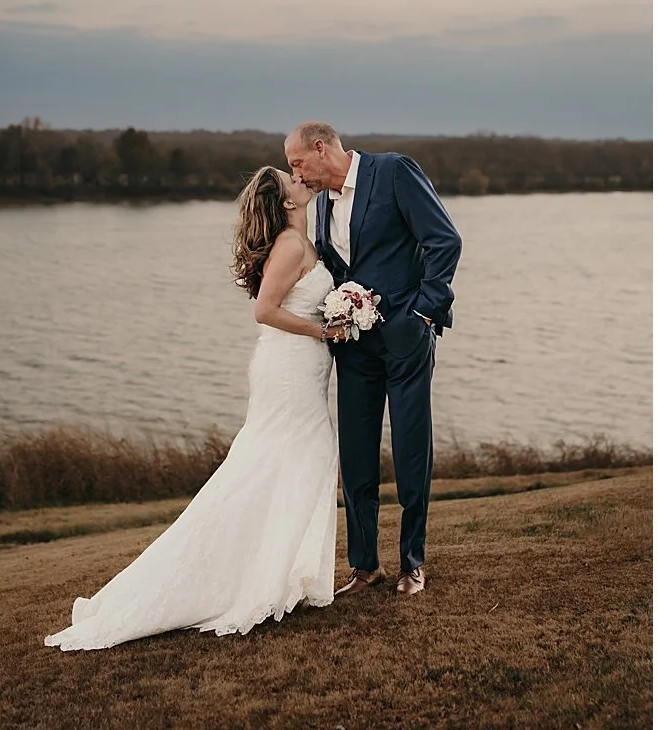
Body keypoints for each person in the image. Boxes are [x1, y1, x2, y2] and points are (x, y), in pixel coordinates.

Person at [45, 166, 341, 650]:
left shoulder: (300, 239)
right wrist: (325, 331)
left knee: (290, 463)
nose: (298, 178)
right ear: (286, 203)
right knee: (290, 460)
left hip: (297, 367)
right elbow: (263, 310)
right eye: (291, 179)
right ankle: (257, 578)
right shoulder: (290, 245)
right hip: (289, 368)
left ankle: (284, 573)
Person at [284, 121, 460, 598]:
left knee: (410, 449)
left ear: (321, 148)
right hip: (354, 348)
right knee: (357, 458)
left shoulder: (394, 172)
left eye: (298, 163)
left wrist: (422, 313)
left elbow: (445, 241)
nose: (295, 174)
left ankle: (412, 562)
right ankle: (364, 567)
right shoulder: (319, 204)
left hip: (405, 340)